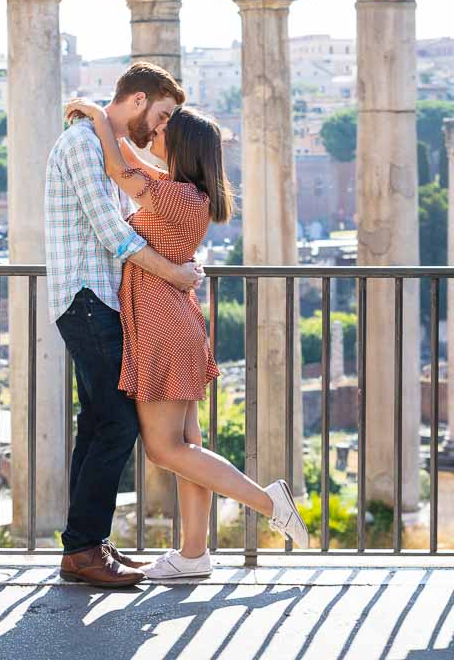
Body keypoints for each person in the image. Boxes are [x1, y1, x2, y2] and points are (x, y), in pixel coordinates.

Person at [62, 95, 308, 583]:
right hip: (174, 321)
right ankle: (194, 554)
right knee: (188, 444)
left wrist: (95, 116)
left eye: (163, 129)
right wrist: (113, 128)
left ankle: (268, 502)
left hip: (161, 325)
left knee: (163, 449)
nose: (154, 134)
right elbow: (130, 160)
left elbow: (116, 165)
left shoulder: (173, 196)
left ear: (181, 145)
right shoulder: (184, 192)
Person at [45, 62, 203, 588]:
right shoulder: (81, 145)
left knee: (97, 422)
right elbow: (115, 234)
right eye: (159, 115)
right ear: (137, 101)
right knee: (116, 423)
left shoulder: (100, 142)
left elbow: (138, 184)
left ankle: (83, 546)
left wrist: (95, 113)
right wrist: (178, 275)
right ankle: (85, 548)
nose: (160, 129)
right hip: (88, 298)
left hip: (99, 301)